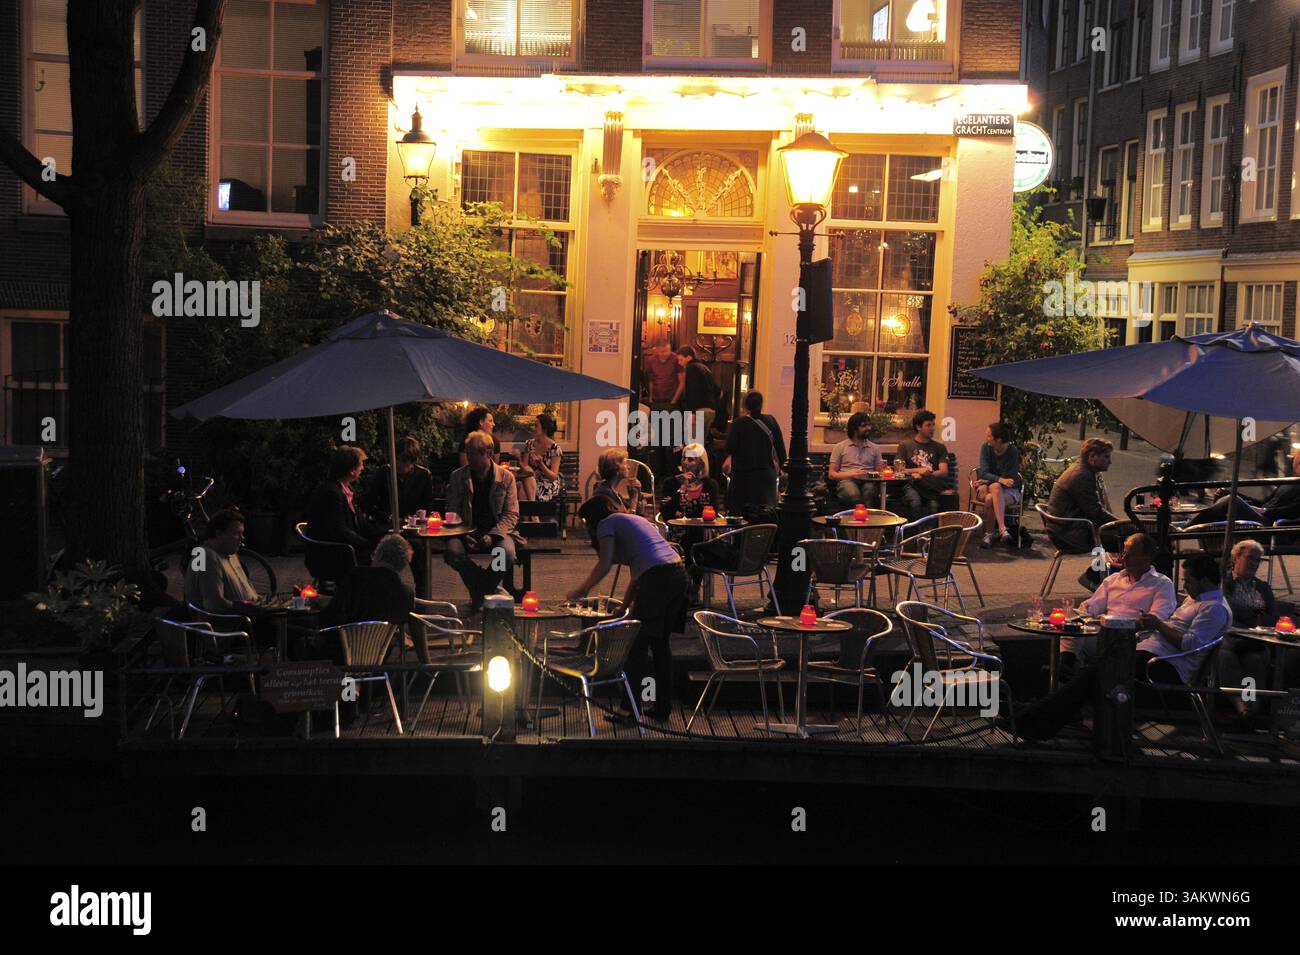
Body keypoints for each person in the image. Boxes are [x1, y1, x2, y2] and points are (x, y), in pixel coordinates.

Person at [1010, 555, 1231, 741]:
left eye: (1189, 581)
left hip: (1165, 666)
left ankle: (1036, 718)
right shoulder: (1197, 599)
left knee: (1096, 674)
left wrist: (1158, 625)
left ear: (1204, 580)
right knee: (1093, 673)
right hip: (1150, 653)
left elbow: (1189, 643)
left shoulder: (1214, 609)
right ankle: (1037, 718)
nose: (1184, 586)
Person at [570, 494, 688, 723]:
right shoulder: (633, 520)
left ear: (592, 519)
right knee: (661, 645)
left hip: (659, 579)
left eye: (585, 523)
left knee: (636, 645)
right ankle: (662, 707)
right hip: (678, 574)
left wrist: (581, 589)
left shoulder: (606, 524)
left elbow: (604, 565)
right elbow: (637, 575)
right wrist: (624, 607)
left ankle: (629, 710)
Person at [1057, 532, 1176, 681]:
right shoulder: (1113, 579)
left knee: (1076, 650)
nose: (1124, 558)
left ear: (1146, 558)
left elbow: (1156, 619)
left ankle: (1067, 676)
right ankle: (1065, 667)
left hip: (1133, 640)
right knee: (1072, 625)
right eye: (1124, 552)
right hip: (1102, 635)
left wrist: (1117, 623)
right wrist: (1082, 611)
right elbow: (1093, 605)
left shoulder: (1161, 584)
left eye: (1130, 554)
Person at [444, 430, 522, 611]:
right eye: (467, 452)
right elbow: (453, 511)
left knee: (505, 555)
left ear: (487, 453)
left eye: (472, 453)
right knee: (453, 553)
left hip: (498, 532)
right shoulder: (458, 477)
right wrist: (463, 535)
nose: (468, 457)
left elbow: (511, 514)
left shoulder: (506, 478)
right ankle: (487, 588)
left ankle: (480, 592)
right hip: (465, 532)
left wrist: (493, 536)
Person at [319, 534, 418, 661]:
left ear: (379, 554)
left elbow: (333, 613)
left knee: (296, 631)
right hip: (377, 657)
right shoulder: (407, 594)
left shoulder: (358, 576)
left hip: (341, 652)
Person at [1045, 437, 1125, 589]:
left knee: (1122, 539)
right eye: (1106, 457)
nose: (1110, 461)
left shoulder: (1083, 470)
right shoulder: (1082, 475)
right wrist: (1124, 525)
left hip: (1066, 527)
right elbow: (1096, 512)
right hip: (1070, 533)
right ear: (1092, 457)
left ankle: (1097, 577)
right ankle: (1097, 578)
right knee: (1128, 541)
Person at [1218, 538, 1278, 724]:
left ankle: (1251, 708)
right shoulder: (1224, 583)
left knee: (1254, 660)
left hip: (1254, 639)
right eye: (1250, 558)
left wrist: (1246, 619)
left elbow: (1273, 617)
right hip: (1230, 637)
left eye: (1257, 560)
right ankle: (1242, 706)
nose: (1254, 563)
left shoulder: (1262, 587)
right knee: (1225, 656)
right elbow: (1221, 611)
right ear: (1235, 558)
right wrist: (1252, 618)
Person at [660, 443, 724, 606]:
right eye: (684, 459)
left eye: (691, 460)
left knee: (699, 541)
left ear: (701, 463)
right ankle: (690, 587)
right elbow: (666, 512)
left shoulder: (710, 485)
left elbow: (714, 512)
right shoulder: (671, 483)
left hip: (704, 532)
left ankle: (690, 586)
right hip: (678, 532)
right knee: (693, 541)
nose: (686, 463)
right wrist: (682, 489)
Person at [1186, 448, 1300, 527]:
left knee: (1231, 501)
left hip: (1270, 523)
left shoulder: (1291, 482)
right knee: (1227, 496)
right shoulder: (1289, 481)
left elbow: (1294, 511)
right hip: (1263, 516)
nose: (1297, 465)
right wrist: (1237, 495)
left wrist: (1265, 511)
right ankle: (1211, 540)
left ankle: (1188, 527)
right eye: (1297, 462)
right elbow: (1263, 502)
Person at [306, 445, 377, 562]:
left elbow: (360, 523)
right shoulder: (331, 493)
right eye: (360, 464)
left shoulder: (345, 490)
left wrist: (381, 535)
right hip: (332, 555)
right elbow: (340, 531)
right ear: (351, 470)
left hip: (344, 549)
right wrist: (369, 544)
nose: (363, 468)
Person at [722, 390, 786, 518]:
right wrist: (782, 467)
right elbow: (780, 448)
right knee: (765, 515)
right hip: (766, 475)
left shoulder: (739, 423)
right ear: (761, 404)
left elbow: (730, 447)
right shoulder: (771, 421)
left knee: (741, 515)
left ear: (745, 405)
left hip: (742, 476)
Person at [184, 509, 259, 612]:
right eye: (237, 534)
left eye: (242, 533)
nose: (242, 538)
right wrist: (242, 606)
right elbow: (213, 604)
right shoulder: (206, 557)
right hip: (232, 623)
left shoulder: (229, 552)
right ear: (219, 534)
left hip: (247, 614)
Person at [895, 410, 957, 519]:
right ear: (918, 427)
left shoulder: (939, 447)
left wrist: (925, 474)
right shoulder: (905, 445)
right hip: (911, 484)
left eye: (933, 425)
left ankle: (929, 535)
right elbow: (899, 469)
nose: (932, 428)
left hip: (930, 485)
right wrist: (918, 470)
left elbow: (943, 471)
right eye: (928, 425)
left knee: (933, 505)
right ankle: (914, 533)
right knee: (915, 502)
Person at [364, 436, 435, 524]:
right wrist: (387, 517)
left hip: (415, 525)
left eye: (404, 461)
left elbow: (428, 505)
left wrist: (419, 516)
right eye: (396, 459)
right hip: (388, 525)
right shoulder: (383, 473)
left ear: (413, 460)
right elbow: (369, 503)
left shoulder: (424, 475)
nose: (399, 464)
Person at [974, 422, 1022, 548]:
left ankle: (989, 534)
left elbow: (1010, 479)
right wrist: (999, 479)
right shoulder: (986, 448)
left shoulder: (1012, 451)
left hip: (1009, 491)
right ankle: (1002, 529)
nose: (986, 438)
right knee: (996, 487)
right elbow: (983, 472)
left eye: (989, 436)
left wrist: (990, 480)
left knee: (991, 497)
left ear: (998, 440)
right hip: (991, 488)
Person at [644, 340, 684, 481]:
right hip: (656, 402)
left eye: (667, 351)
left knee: (671, 440)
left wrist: (674, 400)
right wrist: (650, 397)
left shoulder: (675, 359)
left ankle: (671, 474)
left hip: (670, 403)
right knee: (656, 440)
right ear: (657, 350)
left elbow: (682, 381)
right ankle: (657, 473)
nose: (665, 354)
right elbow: (650, 380)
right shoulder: (651, 361)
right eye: (662, 351)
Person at [828, 411, 884, 508]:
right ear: (854, 429)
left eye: (869, 425)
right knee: (854, 495)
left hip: (868, 481)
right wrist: (851, 474)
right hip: (847, 480)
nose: (868, 428)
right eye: (864, 426)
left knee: (869, 493)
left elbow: (880, 473)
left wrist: (872, 474)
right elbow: (832, 474)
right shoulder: (840, 447)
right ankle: (860, 520)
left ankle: (870, 522)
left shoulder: (875, 448)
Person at [517, 413, 563, 503]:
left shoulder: (555, 448)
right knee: (522, 484)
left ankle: (531, 515)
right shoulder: (529, 444)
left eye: (536, 426)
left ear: (544, 429)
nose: (533, 429)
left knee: (525, 487)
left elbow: (553, 477)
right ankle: (533, 516)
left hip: (548, 483)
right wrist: (518, 458)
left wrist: (541, 464)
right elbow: (525, 467)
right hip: (531, 479)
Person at [677, 345, 718, 443]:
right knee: (700, 446)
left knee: (693, 446)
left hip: (698, 412)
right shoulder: (705, 368)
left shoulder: (691, 368)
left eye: (681, 360)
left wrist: (692, 413)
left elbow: (692, 392)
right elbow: (717, 391)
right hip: (710, 411)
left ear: (689, 357)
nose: (679, 363)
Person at [592, 448, 641, 513]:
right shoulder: (604, 493)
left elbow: (636, 514)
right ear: (616, 467)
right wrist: (634, 498)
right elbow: (626, 520)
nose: (628, 467)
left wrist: (638, 493)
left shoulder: (612, 491)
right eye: (625, 463)